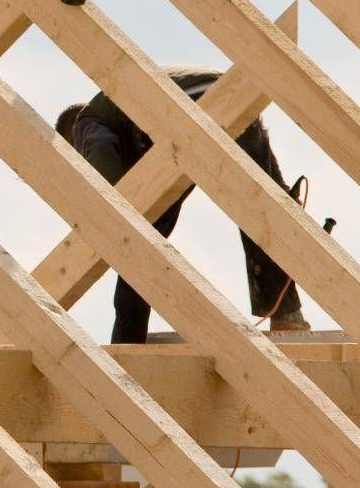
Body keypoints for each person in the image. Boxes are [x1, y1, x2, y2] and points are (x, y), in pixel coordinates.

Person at [56, 70, 312, 342]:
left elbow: (99, 149)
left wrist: (114, 210)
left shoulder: (85, 122)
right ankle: (288, 316)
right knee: (260, 212)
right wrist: (281, 193)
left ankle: (128, 342)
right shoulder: (124, 106)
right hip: (236, 102)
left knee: (136, 242)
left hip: (187, 118)